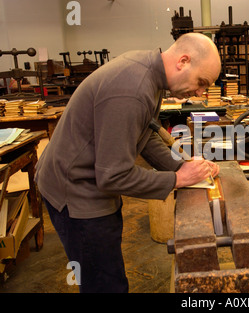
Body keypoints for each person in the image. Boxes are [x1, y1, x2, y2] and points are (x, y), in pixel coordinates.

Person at [35, 32, 221, 293]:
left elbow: (143, 136)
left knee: (108, 274)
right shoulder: (132, 90)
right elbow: (113, 176)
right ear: (183, 61)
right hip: (75, 193)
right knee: (105, 284)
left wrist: (183, 167)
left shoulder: (150, 73)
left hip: (85, 181)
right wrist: (178, 179)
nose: (201, 92)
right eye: (202, 82)